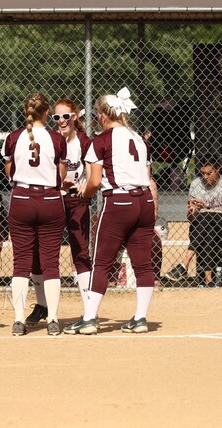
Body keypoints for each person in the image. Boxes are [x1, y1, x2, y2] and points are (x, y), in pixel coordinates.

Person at [66, 88, 156, 335]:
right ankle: (140, 318)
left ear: (104, 116)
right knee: (143, 263)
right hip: (145, 202)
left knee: (101, 262)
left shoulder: (102, 140)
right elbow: (146, 177)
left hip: (119, 202)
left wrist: (83, 197)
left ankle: (89, 317)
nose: (96, 119)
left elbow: (94, 182)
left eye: (97, 115)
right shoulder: (139, 139)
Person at [3, 93, 67, 336]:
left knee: (21, 262)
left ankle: (19, 320)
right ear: (48, 113)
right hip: (50, 200)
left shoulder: (13, 138)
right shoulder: (56, 139)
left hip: (21, 199)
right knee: (51, 263)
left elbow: (10, 172)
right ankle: (52, 319)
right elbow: (60, 176)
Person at [26, 98, 93, 326]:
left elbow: (95, 172)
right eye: (57, 117)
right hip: (52, 200)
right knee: (40, 253)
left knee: (81, 253)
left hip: (76, 200)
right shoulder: (50, 140)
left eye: (66, 116)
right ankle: (42, 305)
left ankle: (89, 309)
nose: (61, 121)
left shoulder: (84, 141)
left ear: (74, 117)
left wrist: (88, 185)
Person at [166, 161, 222, 286]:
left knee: (206, 216)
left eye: (209, 173)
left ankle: (184, 264)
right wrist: (193, 211)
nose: (205, 177)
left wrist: (206, 207)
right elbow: (191, 219)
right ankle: (209, 280)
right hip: (206, 228)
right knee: (208, 229)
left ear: (218, 169)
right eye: (202, 173)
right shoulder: (196, 184)